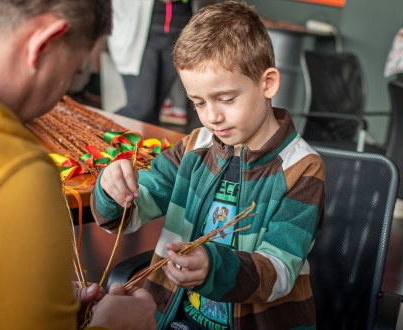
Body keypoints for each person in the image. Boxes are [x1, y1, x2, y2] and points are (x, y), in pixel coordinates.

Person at [0, 0, 157, 329]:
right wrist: (113, 326)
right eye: (72, 73)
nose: (58, 98)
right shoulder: (9, 174)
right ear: (42, 44)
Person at [91, 1, 326, 329]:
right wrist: (111, 190)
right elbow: (133, 211)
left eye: (226, 99)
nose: (212, 116)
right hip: (172, 318)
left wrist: (214, 267)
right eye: (198, 103)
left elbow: (279, 272)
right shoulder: (193, 147)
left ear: (268, 83)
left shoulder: (302, 169)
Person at [109, 0, 193, 125]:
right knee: (140, 108)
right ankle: (93, 129)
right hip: (141, 32)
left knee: (153, 112)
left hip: (179, 31)